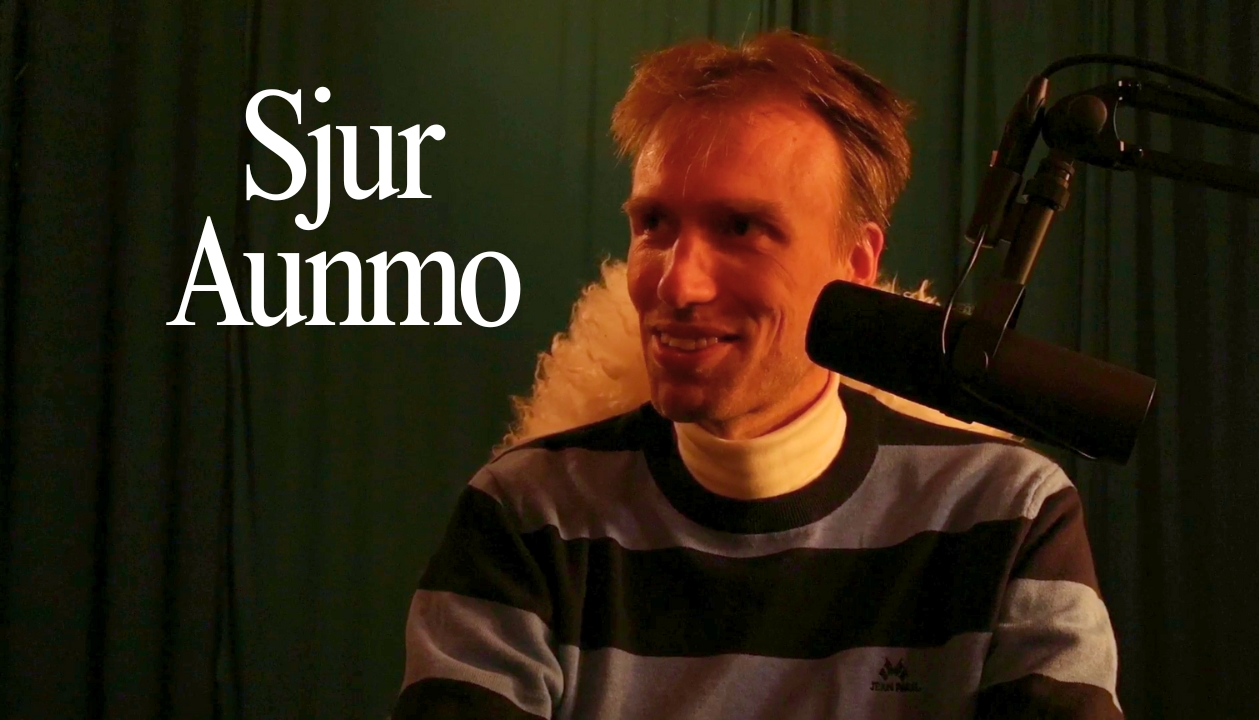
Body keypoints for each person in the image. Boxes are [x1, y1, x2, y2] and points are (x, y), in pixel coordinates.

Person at [392, 31, 1122, 719]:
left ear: (857, 265)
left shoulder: (1010, 516)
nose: (677, 284)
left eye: (741, 228)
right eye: (654, 225)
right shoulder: (525, 516)